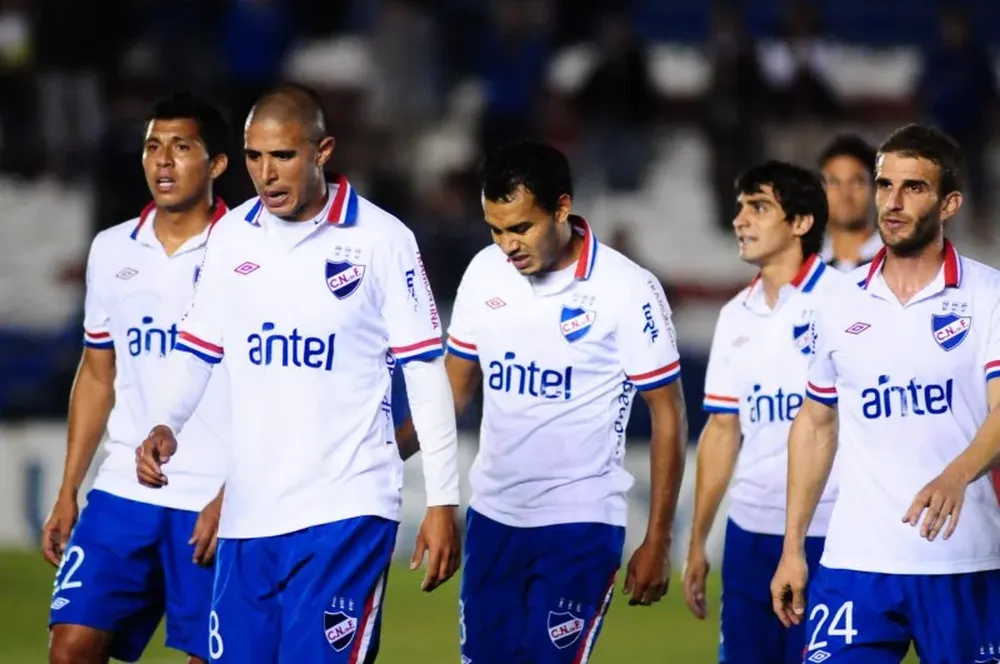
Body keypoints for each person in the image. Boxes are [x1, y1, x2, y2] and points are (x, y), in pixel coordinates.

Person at [135, 83, 462, 663]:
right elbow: (196, 348)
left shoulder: (383, 240)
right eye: (254, 156)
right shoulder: (231, 236)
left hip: (346, 510)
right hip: (250, 514)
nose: (267, 174)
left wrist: (442, 500)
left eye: (283, 156)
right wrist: (166, 422)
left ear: (322, 151)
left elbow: (424, 371)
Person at [402, 140, 688, 663]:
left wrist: (659, 538)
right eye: (495, 230)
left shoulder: (627, 289)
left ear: (562, 207)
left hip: (580, 525)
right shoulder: (485, 272)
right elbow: (453, 389)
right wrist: (385, 454)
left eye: (520, 228)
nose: (507, 245)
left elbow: (668, 413)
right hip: (493, 519)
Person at [771, 124, 1000, 663]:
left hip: (962, 561)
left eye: (913, 188)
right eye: (884, 185)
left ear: (949, 204)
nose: (892, 203)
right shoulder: (835, 301)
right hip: (856, 561)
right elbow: (815, 423)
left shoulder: (989, 295)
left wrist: (955, 474)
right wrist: (793, 546)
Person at [43, 92, 232, 664]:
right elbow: (98, 374)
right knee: (70, 649)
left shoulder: (249, 254)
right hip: (123, 490)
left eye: (181, 147)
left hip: (213, 494)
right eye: (153, 147)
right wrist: (68, 489)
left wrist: (239, 491)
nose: (163, 161)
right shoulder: (111, 249)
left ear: (218, 164)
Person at [683, 161, 845, 664]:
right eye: (740, 208)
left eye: (758, 207)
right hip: (749, 533)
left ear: (801, 222)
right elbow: (721, 430)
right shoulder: (735, 315)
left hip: (832, 530)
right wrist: (697, 541)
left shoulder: (848, 302)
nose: (740, 220)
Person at [817, 134, 882, 271]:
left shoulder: (897, 261)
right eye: (834, 182)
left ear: (875, 189)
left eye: (856, 182)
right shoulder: (806, 265)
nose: (845, 193)